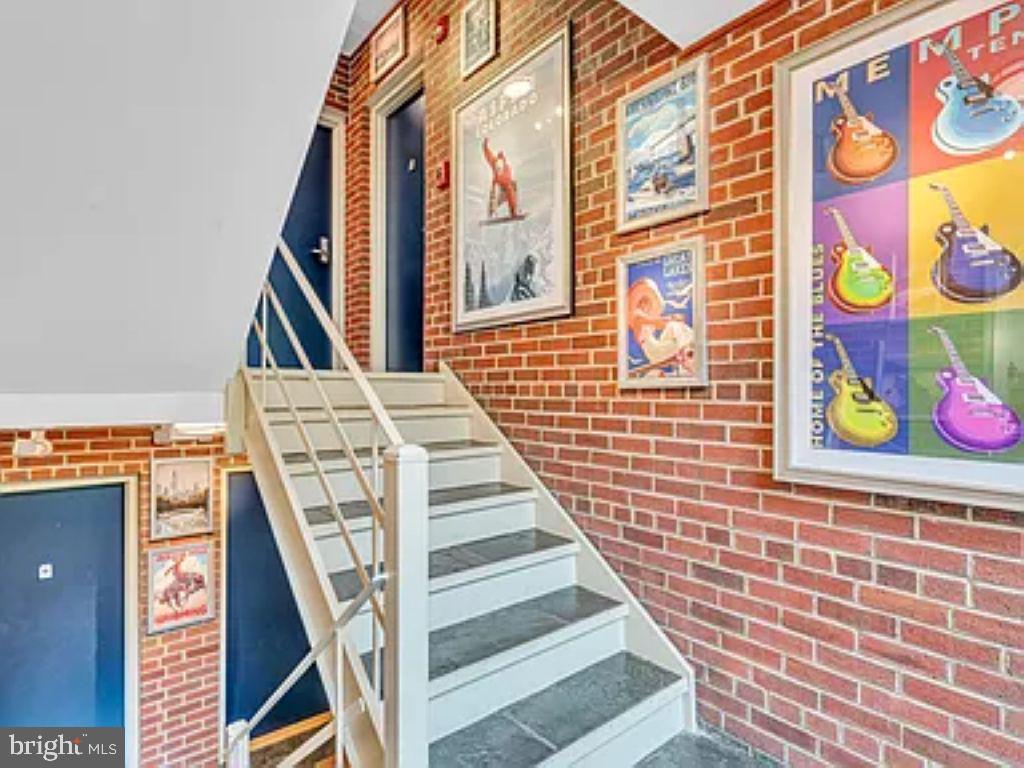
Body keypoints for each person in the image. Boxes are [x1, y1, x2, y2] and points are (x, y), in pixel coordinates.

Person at [483, 138, 519, 219]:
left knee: (511, 191)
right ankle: (492, 212)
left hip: (506, 187)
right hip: (499, 186)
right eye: (497, 167)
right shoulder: (494, 162)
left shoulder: (506, 167)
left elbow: (511, 190)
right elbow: (488, 155)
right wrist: (485, 146)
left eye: (499, 167)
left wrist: (513, 186)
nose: (498, 168)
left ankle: (513, 211)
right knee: (495, 194)